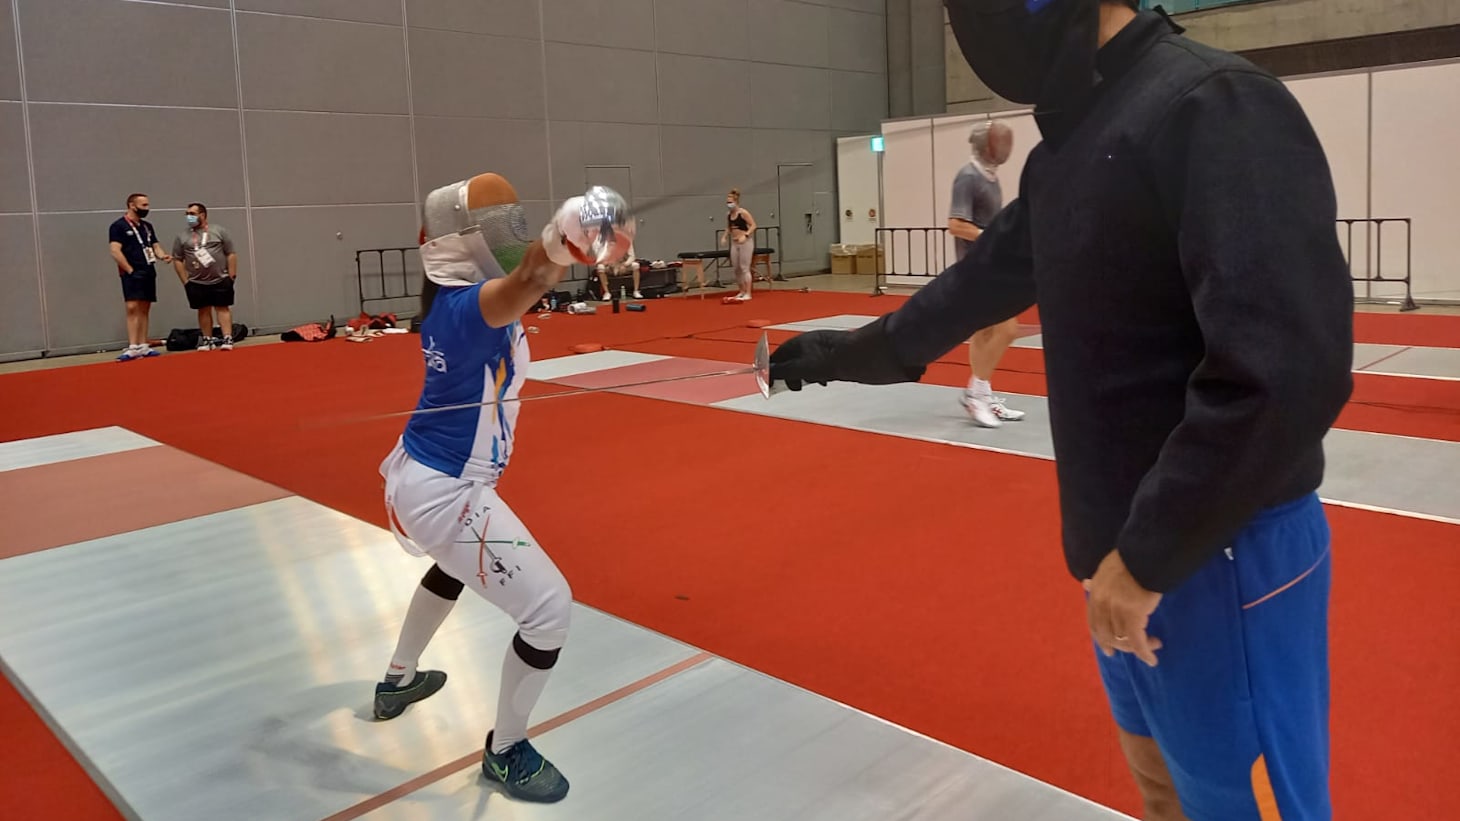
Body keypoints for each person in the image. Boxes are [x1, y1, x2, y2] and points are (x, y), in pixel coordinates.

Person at [769, 2, 1353, 819]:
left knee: (1239, 806)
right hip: (1121, 558)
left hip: (1219, 549)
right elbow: (971, 290)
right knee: (1164, 791)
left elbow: (1285, 367)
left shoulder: (1212, 103)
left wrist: (1151, 554)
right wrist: (838, 354)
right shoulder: (1073, 145)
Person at [373, 173, 631, 805]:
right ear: (462, 241)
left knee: (452, 566)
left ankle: (397, 679)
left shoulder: (453, 298)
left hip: (427, 474)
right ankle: (506, 751)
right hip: (447, 490)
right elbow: (531, 278)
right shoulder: (468, 309)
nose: (510, 232)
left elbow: (528, 277)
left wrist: (568, 241)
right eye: (500, 225)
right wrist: (563, 236)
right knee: (548, 612)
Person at [947, 121, 1025, 427]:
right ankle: (975, 394)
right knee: (1007, 329)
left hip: (991, 265)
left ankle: (982, 393)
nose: (1005, 148)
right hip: (976, 268)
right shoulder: (968, 177)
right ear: (985, 146)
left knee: (986, 332)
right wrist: (991, 238)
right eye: (1000, 142)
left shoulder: (990, 177)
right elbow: (956, 224)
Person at [108, 193, 172, 361]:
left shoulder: (147, 227)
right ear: (132, 205)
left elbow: (155, 246)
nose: (147, 208)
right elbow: (115, 250)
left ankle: (143, 345)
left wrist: (162, 255)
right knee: (132, 307)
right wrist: (129, 269)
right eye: (143, 205)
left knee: (145, 307)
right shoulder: (118, 226)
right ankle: (133, 346)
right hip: (132, 272)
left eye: (147, 205)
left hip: (148, 270)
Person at [171, 203, 239, 351]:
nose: (189, 217)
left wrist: (231, 275)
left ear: (202, 215)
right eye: (187, 214)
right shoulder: (182, 236)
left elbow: (231, 253)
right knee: (203, 310)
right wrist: (185, 281)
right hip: (196, 281)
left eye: (192, 214)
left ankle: (227, 337)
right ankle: (207, 340)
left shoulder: (219, 231)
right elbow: (177, 259)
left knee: (222, 308)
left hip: (220, 278)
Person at [719, 189, 756, 302]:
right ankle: (742, 290)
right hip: (735, 243)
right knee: (736, 269)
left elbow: (753, 225)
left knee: (744, 268)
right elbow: (729, 227)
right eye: (727, 203)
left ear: (736, 202)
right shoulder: (728, 215)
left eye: (730, 202)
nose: (729, 204)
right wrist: (724, 236)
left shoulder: (743, 213)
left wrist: (746, 235)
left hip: (745, 242)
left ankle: (748, 293)